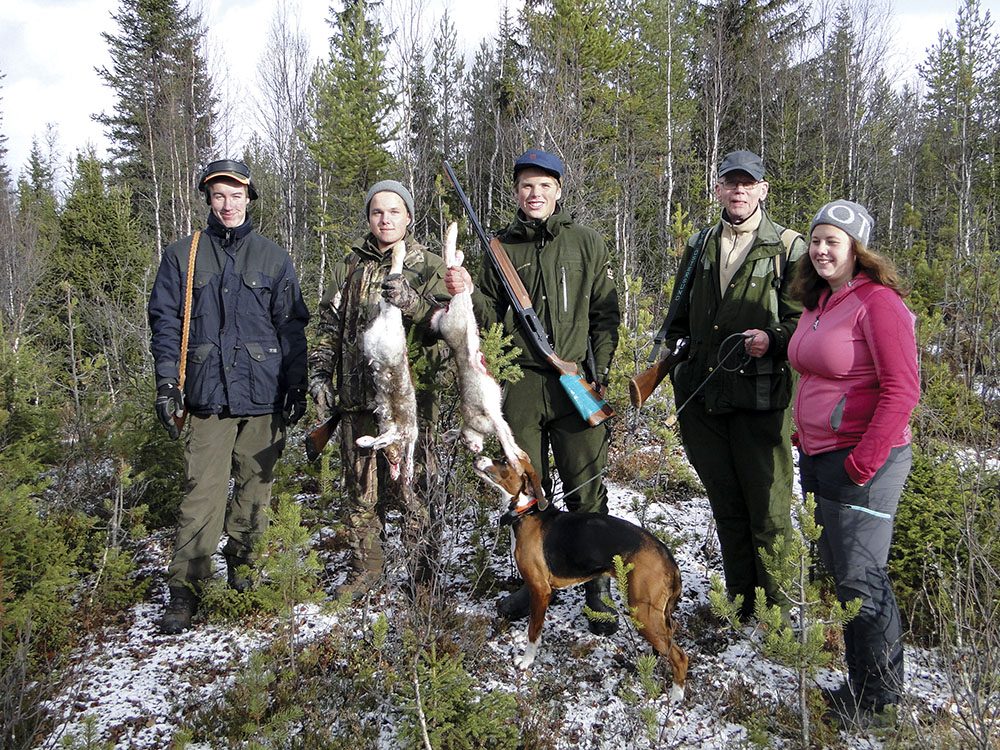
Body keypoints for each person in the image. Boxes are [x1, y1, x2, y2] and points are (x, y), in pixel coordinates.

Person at [446, 149, 621, 635]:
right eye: (526, 185)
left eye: (544, 185)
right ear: (516, 192)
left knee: (586, 487)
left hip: (574, 385)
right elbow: (484, 315)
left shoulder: (587, 243)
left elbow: (606, 313)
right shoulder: (499, 246)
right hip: (520, 384)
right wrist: (464, 289)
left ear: (559, 191)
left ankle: (597, 584)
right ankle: (531, 579)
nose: (535, 194)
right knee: (526, 489)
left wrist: (598, 372)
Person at [149, 159, 310, 634]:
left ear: (249, 198)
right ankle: (186, 590)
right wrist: (166, 384)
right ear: (208, 200)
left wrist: (296, 384)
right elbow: (165, 324)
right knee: (202, 494)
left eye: (236, 195)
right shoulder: (183, 255)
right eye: (219, 195)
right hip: (205, 396)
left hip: (264, 394)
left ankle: (244, 569)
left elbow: (292, 326)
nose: (228, 204)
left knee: (254, 490)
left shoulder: (272, 256)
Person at [788, 200, 918, 728]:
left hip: (864, 461)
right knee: (845, 575)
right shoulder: (822, 302)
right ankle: (861, 681)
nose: (820, 250)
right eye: (816, 241)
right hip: (820, 454)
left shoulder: (878, 303)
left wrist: (863, 463)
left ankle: (881, 702)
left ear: (856, 250)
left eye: (832, 242)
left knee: (863, 578)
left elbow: (903, 390)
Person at [662, 150, 805, 620]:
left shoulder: (788, 247)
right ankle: (743, 604)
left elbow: (803, 323)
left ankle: (778, 618)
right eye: (730, 182)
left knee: (769, 513)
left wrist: (775, 339)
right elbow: (677, 319)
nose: (738, 190)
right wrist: (679, 370)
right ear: (718, 188)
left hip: (761, 400)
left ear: (764, 189)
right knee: (727, 506)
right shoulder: (700, 243)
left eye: (748, 182)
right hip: (704, 399)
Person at [309, 180, 450, 597]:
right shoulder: (349, 265)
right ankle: (366, 568)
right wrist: (319, 374)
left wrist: (413, 302)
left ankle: (423, 578)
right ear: (369, 217)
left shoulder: (429, 265)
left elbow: (448, 327)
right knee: (360, 492)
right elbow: (328, 327)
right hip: (356, 401)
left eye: (394, 211)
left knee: (413, 490)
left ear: (408, 216)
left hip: (411, 403)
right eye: (377, 212)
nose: (385, 219)